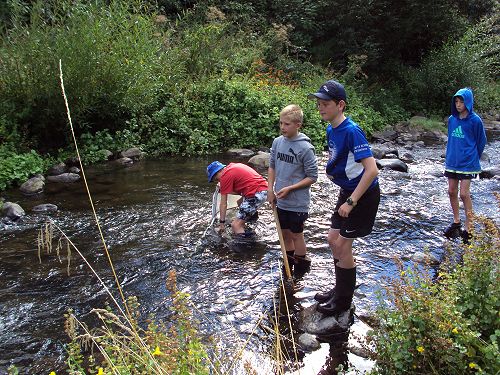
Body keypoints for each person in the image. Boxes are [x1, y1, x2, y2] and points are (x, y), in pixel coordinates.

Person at [308, 80, 380, 316]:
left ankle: (343, 302)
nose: (320, 108)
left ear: (340, 105)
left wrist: (351, 202)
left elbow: (372, 170)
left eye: (325, 104)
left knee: (342, 244)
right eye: (318, 103)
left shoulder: (352, 131)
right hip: (347, 191)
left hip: (363, 194)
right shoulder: (331, 129)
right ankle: (338, 290)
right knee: (332, 239)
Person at [268, 104, 318, 274]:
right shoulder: (277, 142)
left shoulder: (306, 148)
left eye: (287, 124)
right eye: (281, 123)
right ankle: (288, 267)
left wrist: (290, 188)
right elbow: (272, 165)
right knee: (284, 234)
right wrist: (270, 189)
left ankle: (301, 270)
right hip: (281, 200)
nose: (282, 127)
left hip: (297, 202)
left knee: (297, 234)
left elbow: (313, 177)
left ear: (298, 125)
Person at [443, 87, 486, 244]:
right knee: (451, 191)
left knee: (464, 194)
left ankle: (469, 227)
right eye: (456, 101)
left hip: (467, 163)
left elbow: (481, 141)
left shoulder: (475, 121)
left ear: (468, 102)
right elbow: (451, 139)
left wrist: (474, 156)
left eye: (461, 101)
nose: (459, 104)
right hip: (452, 162)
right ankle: (456, 221)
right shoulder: (452, 120)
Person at [207, 161, 268, 236]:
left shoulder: (224, 176)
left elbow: (223, 204)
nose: (218, 181)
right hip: (263, 189)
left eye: (216, 179)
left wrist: (221, 224)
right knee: (239, 202)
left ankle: (248, 244)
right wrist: (223, 188)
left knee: (235, 225)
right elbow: (241, 189)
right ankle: (251, 223)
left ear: (218, 172)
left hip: (256, 193)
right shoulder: (232, 167)